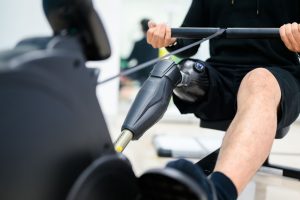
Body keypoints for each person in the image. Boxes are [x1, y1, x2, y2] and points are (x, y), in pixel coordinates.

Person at [146, 0, 300, 200]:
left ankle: (219, 193)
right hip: (221, 77)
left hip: (276, 77)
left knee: (259, 81)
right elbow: (187, 42)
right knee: (180, 71)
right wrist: (168, 38)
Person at [122, 18, 159, 85]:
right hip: (153, 74)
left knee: (122, 71)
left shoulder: (138, 43)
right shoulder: (156, 43)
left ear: (141, 29)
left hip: (140, 74)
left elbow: (129, 59)